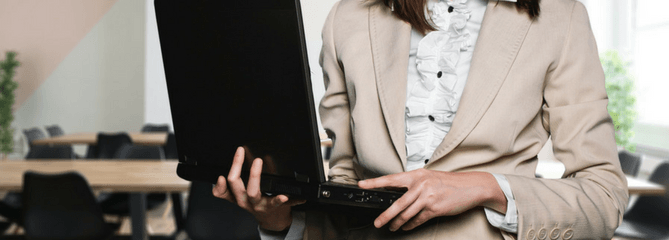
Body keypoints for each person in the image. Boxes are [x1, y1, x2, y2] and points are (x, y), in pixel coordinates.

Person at [213, 0, 629, 239]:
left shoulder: (561, 17)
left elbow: (603, 197)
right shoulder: (348, 19)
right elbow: (346, 192)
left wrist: (485, 187)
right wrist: (277, 219)